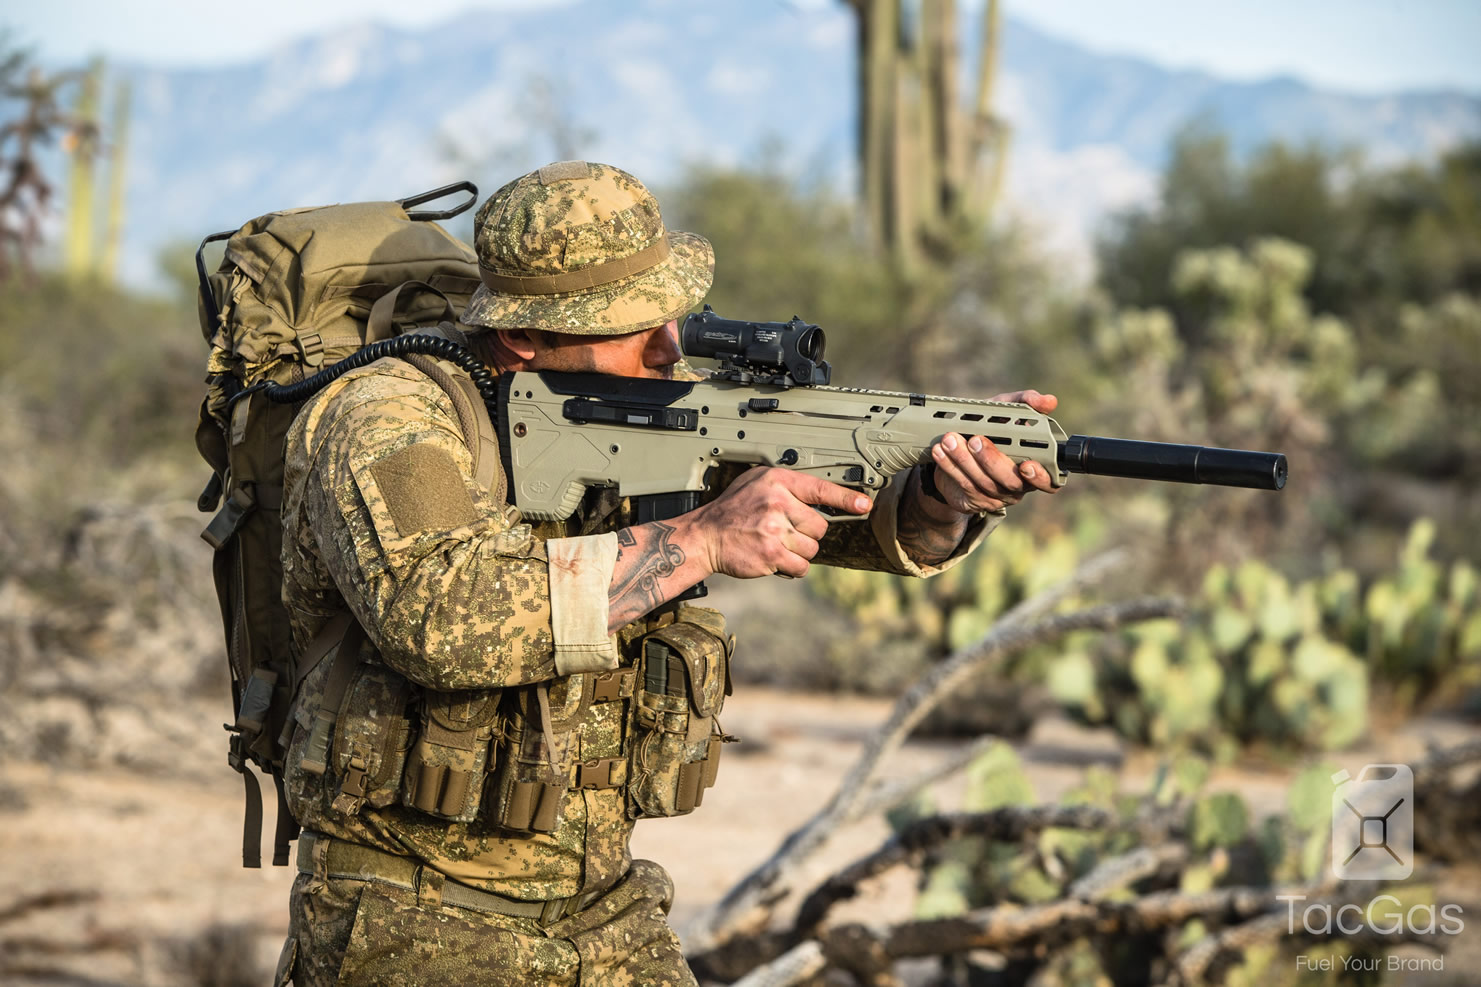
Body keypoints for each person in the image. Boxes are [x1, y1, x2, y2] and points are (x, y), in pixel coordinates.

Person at [272, 160, 1058, 986]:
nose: (665, 344)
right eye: (624, 322)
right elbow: (442, 616)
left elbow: (829, 512)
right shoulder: (382, 413)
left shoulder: (648, 395)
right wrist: (705, 538)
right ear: (523, 337)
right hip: (409, 917)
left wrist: (937, 491)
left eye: (666, 310)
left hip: (603, 909)